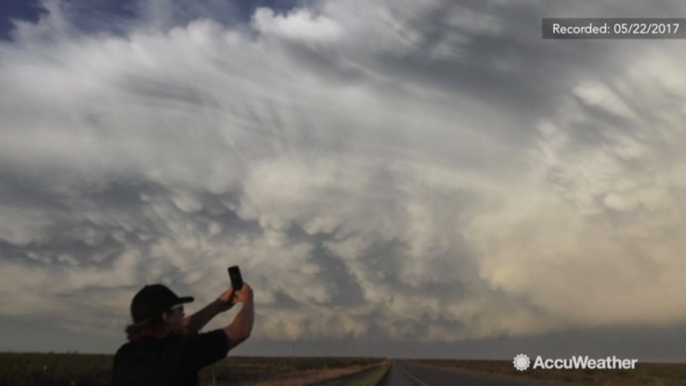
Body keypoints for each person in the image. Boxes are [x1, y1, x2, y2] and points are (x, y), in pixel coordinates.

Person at [112, 282, 254, 386]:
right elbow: (241, 330)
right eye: (180, 310)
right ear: (167, 317)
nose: (184, 314)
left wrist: (218, 305)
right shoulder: (181, 352)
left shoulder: (124, 355)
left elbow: (184, 327)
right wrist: (247, 298)